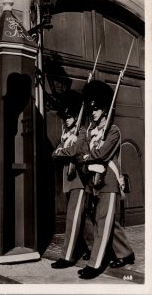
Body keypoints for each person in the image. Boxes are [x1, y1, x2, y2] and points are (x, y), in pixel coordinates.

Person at [55, 80, 135, 279]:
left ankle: (96, 263)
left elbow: (101, 153)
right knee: (104, 220)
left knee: (103, 221)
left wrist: (85, 155)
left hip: (109, 179)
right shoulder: (91, 132)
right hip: (94, 180)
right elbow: (84, 150)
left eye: (98, 109)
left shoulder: (113, 131)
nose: (94, 113)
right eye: (93, 110)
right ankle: (125, 253)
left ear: (105, 109)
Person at [51, 102, 94, 269]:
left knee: (72, 217)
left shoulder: (82, 132)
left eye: (70, 116)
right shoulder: (66, 135)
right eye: (65, 116)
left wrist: (61, 151)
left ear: (77, 116)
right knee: (83, 218)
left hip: (80, 181)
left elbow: (74, 151)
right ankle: (94, 247)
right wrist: (61, 151)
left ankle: (67, 257)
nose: (67, 120)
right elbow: (55, 153)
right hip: (69, 181)